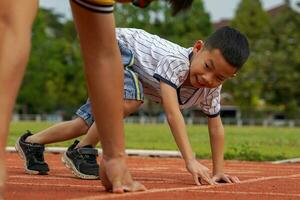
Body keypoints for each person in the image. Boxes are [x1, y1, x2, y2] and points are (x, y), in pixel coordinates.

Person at [0, 0, 194, 196]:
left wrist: (114, 158)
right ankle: (74, 148)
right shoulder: (174, 61)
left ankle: (37, 143)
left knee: (84, 122)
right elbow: (9, 27)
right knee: (124, 103)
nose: (136, 4)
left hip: (120, 54)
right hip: (124, 48)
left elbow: (102, 54)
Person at [16, 26, 249, 185]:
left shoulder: (210, 90)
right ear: (197, 48)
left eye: (219, 77)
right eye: (208, 66)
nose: (209, 79)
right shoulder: (177, 63)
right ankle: (80, 151)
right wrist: (190, 161)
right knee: (131, 100)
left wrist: (218, 171)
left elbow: (216, 127)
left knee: (85, 123)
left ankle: (31, 143)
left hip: (128, 64)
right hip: (113, 44)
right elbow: (172, 112)